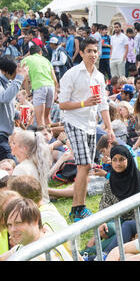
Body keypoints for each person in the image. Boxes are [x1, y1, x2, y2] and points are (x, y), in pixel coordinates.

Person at [59, 37, 115, 222]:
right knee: (84, 165)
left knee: (87, 166)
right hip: (74, 121)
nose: (93, 54)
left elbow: (103, 104)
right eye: (89, 51)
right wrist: (84, 103)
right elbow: (62, 104)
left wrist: (108, 127)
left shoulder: (99, 76)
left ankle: (76, 208)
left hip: (91, 125)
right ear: (81, 53)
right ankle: (79, 208)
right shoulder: (72, 74)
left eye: (95, 51)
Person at [82, 145, 140, 259]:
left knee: (111, 240)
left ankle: (88, 254)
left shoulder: (138, 179)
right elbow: (104, 205)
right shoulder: (111, 182)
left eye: (121, 159)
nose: (118, 164)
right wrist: (101, 223)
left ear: (128, 159)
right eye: (114, 160)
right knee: (107, 229)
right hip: (116, 221)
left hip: (134, 224)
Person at [0, 197, 72, 261]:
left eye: (18, 223)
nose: (12, 230)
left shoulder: (40, 255)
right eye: (9, 225)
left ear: (35, 220)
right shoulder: (42, 237)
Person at [10, 129, 52, 204]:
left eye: (14, 143)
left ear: (23, 148)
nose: (10, 145)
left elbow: (15, 198)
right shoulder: (36, 164)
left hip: (30, 209)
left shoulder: (21, 168)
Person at [21, 45, 58, 127]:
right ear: (40, 53)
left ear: (29, 53)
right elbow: (55, 79)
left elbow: (24, 79)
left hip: (39, 87)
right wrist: (56, 92)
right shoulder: (46, 60)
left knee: (39, 120)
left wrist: (28, 93)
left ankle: (42, 139)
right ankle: (50, 138)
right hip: (51, 87)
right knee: (47, 117)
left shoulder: (26, 60)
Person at [0, 56, 27, 161]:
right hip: (1, 135)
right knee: (12, 164)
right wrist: (19, 78)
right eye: (16, 71)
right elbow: (4, 98)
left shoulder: (7, 82)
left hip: (5, 135)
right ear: (8, 71)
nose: (17, 74)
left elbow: (6, 104)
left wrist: (16, 114)